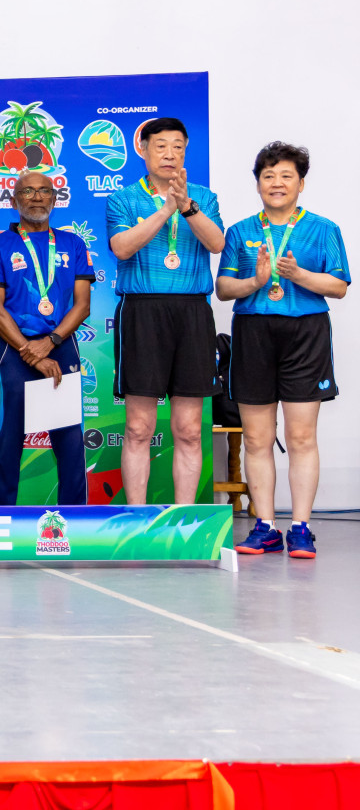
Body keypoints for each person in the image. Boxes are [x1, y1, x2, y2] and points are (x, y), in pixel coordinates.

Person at [218, 143, 348, 558]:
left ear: (301, 184)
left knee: (300, 436)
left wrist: (299, 275)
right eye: (268, 176)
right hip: (253, 332)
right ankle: (265, 526)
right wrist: (255, 282)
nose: (277, 183)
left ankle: (302, 527)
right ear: (258, 184)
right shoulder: (240, 232)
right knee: (257, 437)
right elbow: (223, 289)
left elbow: (340, 286)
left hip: (305, 333)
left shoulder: (324, 229)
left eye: (286, 176)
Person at [106, 116, 224, 505]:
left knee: (189, 428)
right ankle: (137, 521)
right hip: (142, 312)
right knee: (139, 426)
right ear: (143, 150)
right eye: (161, 146)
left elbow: (217, 243)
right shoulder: (123, 199)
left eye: (178, 146)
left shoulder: (203, 197)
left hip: (192, 313)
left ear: (186, 151)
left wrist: (186, 206)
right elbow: (122, 248)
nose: (170, 154)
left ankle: (184, 518)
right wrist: (163, 211)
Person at [0, 170, 94, 505]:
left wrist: (51, 343)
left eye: (45, 191)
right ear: (14, 200)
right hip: (15, 350)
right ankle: (0, 518)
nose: (37, 197)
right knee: (10, 437)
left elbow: (82, 305)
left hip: (60, 346)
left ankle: (74, 518)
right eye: (28, 191)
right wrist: (32, 352)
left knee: (70, 440)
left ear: (54, 200)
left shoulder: (72, 243)